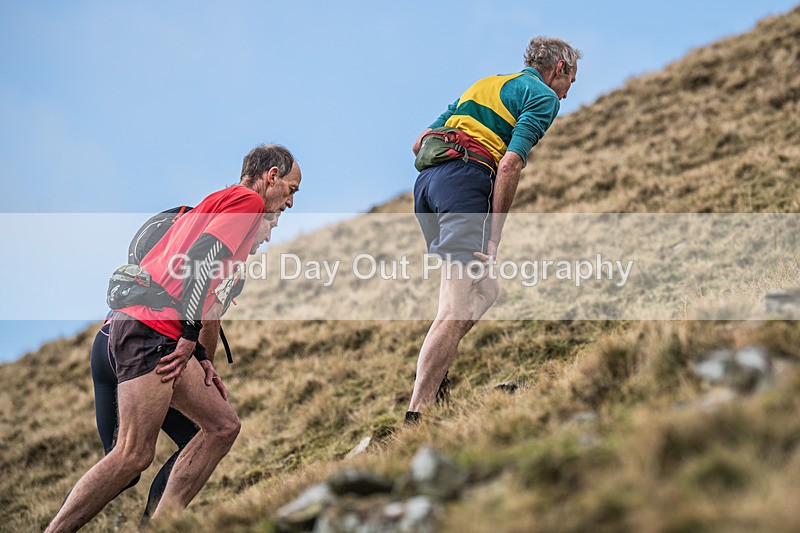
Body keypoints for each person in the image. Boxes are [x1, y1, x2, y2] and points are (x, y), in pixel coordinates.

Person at [47, 145, 301, 532]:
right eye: (291, 189)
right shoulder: (246, 201)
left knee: (222, 426)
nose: (290, 202)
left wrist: (200, 356)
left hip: (156, 329)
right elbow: (201, 259)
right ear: (272, 175)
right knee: (133, 455)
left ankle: (163, 525)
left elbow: (187, 274)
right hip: (151, 328)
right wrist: (187, 333)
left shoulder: (214, 205)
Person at [406, 37, 581, 423]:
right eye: (571, 82)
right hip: (465, 183)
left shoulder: (486, 83)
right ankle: (417, 413)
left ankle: (435, 369)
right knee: (453, 309)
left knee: (485, 289)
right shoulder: (542, 96)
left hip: (427, 189)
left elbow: (419, 142)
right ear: (560, 69)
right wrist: (494, 238)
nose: (567, 96)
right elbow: (509, 165)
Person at [88, 212, 279, 528]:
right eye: (270, 224)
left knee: (123, 465)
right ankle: (154, 526)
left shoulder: (181, 229)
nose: (269, 236)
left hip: (108, 340)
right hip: (149, 352)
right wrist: (205, 372)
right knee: (199, 435)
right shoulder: (225, 250)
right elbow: (208, 317)